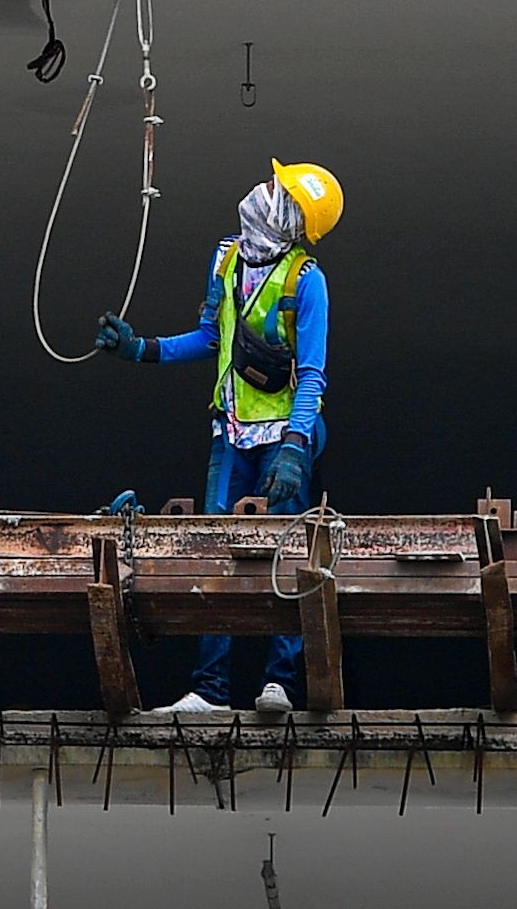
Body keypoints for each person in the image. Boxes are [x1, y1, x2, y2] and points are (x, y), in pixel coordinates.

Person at [95, 159, 341, 715]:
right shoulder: (226, 259)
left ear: (294, 217)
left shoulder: (307, 281)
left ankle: (280, 683)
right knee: (215, 553)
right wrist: (143, 349)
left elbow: (313, 374)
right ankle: (209, 689)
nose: (262, 191)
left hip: (283, 437)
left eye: (279, 191)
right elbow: (211, 336)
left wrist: (297, 447)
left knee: (287, 552)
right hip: (229, 431)